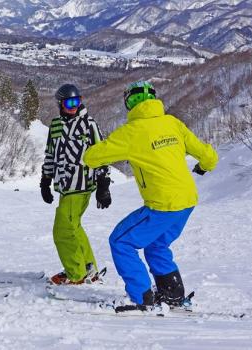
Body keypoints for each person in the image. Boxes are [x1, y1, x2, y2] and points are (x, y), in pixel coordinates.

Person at [83, 81, 218, 310]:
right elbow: (208, 155)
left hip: (162, 205)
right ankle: (172, 294)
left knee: (121, 241)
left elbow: (92, 158)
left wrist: (96, 146)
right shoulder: (172, 123)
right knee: (157, 246)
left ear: (130, 103)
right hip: (187, 201)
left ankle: (140, 297)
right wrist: (203, 167)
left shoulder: (131, 132)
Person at [41, 84, 112, 285]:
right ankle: (88, 266)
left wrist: (103, 184)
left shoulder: (89, 124)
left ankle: (76, 274)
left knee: (62, 231)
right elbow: (50, 155)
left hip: (81, 185)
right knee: (74, 227)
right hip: (64, 186)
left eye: (77, 102)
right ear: (60, 104)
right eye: (68, 103)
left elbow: (101, 154)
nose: (73, 106)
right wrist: (45, 181)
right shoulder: (55, 125)